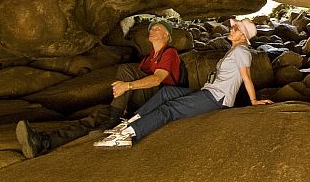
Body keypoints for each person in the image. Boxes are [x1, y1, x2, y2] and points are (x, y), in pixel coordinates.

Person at [93, 18, 273, 148]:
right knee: (166, 93)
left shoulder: (242, 51)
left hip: (217, 98)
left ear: (242, 35)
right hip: (208, 92)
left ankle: (127, 135)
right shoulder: (234, 50)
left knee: (169, 109)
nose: (231, 29)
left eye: (235, 29)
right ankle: (128, 122)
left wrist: (253, 101)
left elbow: (246, 77)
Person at [16, 19, 181, 158]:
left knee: (125, 70)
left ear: (167, 35)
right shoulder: (148, 59)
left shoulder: (169, 53)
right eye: (151, 28)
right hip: (140, 101)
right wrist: (124, 101)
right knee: (97, 116)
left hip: (159, 98)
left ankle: (114, 118)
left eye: (157, 28)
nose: (152, 31)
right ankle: (44, 141)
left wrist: (127, 86)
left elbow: (157, 79)